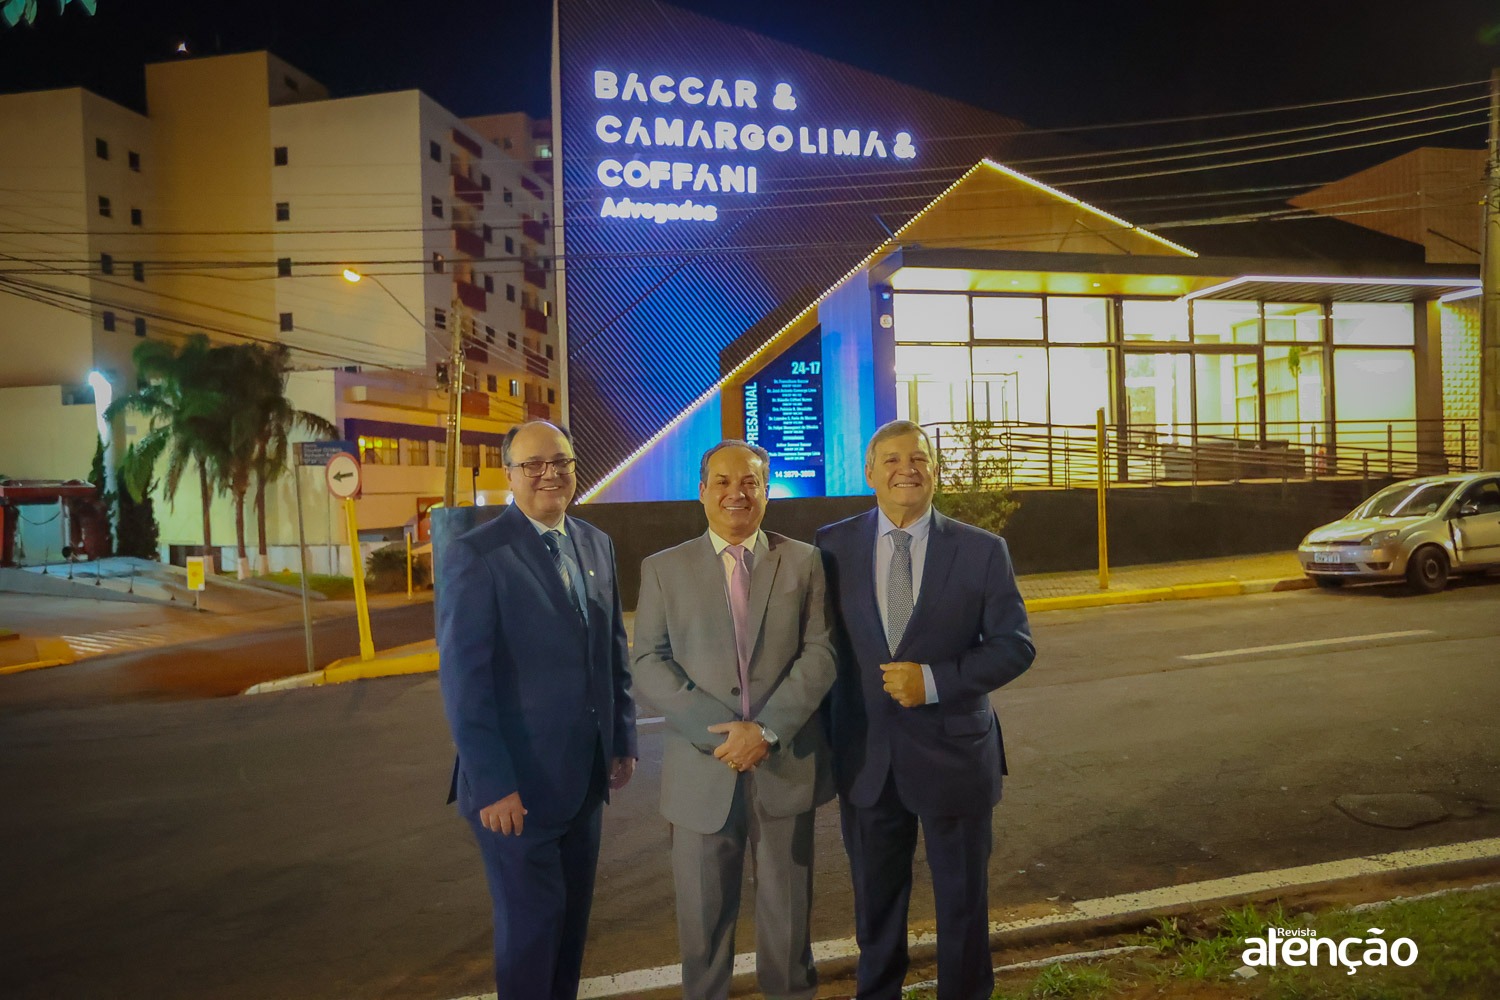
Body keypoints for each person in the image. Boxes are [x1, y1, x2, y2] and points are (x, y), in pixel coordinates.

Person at [815, 419, 1035, 1000]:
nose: (905, 469)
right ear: (869, 472)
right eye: (891, 459)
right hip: (867, 761)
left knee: (963, 908)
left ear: (935, 470)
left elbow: (1015, 646)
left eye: (918, 458)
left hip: (956, 757)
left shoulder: (982, 550)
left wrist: (934, 682)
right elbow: (818, 650)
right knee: (876, 911)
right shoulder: (830, 547)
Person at [437, 419, 638, 1000]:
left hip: (584, 781)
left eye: (561, 462)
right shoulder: (477, 555)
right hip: (515, 793)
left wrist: (621, 739)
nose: (550, 474)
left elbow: (611, 651)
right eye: (533, 465)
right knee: (531, 935)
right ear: (510, 475)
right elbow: (465, 683)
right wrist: (494, 784)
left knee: (570, 933)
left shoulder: (594, 543)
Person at [632, 440, 836, 1000]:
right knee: (702, 930)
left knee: (789, 926)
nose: (736, 493)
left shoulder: (804, 561)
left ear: (767, 491)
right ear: (702, 491)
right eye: (722, 482)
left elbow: (821, 653)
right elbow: (648, 661)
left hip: (783, 764)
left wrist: (765, 731)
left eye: (749, 482)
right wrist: (723, 734)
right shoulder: (663, 569)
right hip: (703, 772)